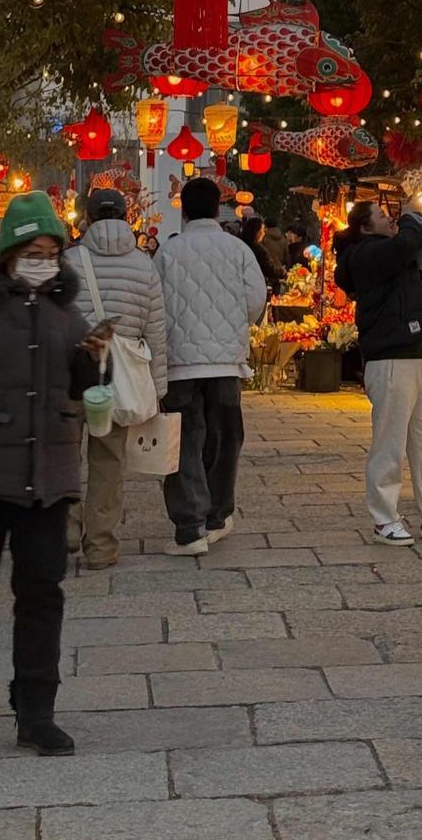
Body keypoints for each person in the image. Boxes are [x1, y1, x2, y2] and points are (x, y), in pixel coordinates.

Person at [0, 191, 112, 755]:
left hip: (50, 473)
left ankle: (35, 708)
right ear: (8, 252)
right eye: (31, 250)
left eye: (51, 251)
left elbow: (80, 390)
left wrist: (91, 357)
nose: (43, 260)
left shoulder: (67, 312)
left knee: (42, 589)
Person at [334, 204, 422, 545]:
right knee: (389, 443)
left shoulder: (390, 255)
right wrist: (410, 216)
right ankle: (384, 518)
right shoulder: (366, 254)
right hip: (392, 357)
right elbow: (406, 243)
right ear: (365, 227)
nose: (390, 218)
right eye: (382, 215)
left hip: (419, 356)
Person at [156, 177, 266, 556]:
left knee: (184, 440)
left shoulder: (169, 252)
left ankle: (190, 527)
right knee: (224, 436)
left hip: (180, 364)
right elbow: (256, 301)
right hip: (225, 361)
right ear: (218, 207)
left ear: (183, 209)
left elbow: (157, 306)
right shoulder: (237, 249)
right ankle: (218, 514)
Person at [66, 188, 168, 570]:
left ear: (88, 219)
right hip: (118, 378)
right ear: (128, 217)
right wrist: (158, 389)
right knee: (107, 460)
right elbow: (156, 331)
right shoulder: (144, 266)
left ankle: (67, 530)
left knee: (65, 455)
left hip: (70, 371)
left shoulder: (69, 261)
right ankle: (101, 547)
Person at [240, 214, 283, 297]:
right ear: (257, 232)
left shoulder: (241, 245)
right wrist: (282, 273)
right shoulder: (258, 249)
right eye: (262, 230)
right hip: (257, 286)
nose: (264, 233)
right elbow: (268, 268)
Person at [259, 215, 289, 280]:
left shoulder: (263, 238)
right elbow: (286, 255)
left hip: (267, 269)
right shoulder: (283, 238)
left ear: (265, 225)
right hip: (279, 268)